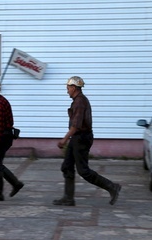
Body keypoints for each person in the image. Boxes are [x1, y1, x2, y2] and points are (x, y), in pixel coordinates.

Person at [54, 76, 121, 206]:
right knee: (67, 167)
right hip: (78, 138)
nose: (67, 91)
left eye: (68, 88)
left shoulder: (79, 102)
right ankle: (68, 198)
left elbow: (76, 125)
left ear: (74, 88)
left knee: (83, 171)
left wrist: (64, 139)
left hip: (81, 138)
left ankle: (112, 187)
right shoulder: (79, 101)